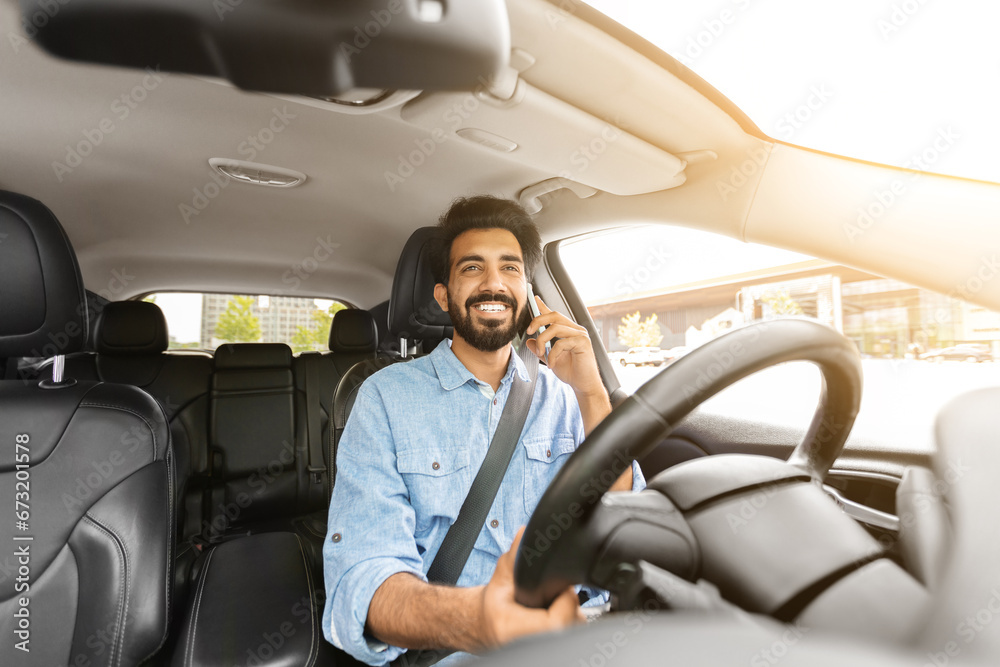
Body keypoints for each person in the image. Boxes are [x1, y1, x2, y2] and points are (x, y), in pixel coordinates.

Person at [322, 195, 646, 665]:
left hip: (592, 637)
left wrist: (593, 391)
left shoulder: (567, 393)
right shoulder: (384, 399)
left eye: (510, 268)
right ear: (443, 295)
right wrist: (479, 620)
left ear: (530, 294)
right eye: (472, 268)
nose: (493, 283)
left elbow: (626, 518)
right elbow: (362, 578)